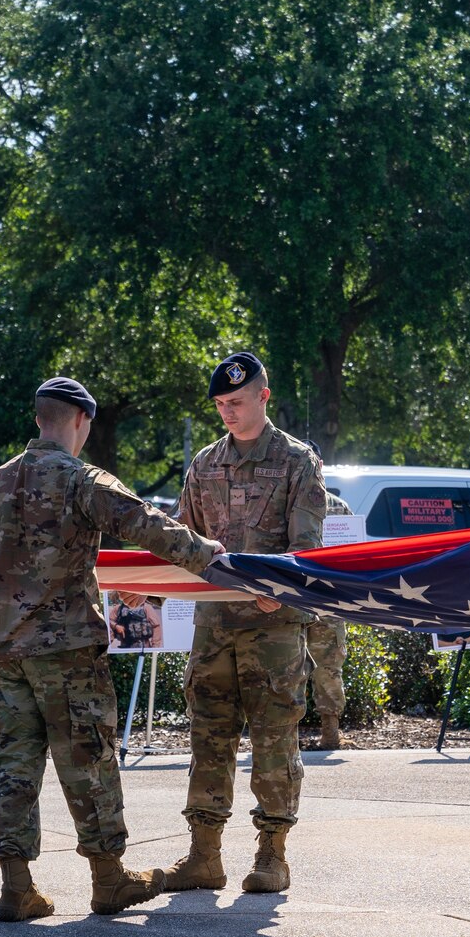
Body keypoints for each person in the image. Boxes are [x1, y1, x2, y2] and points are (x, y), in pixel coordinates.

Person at [0, 377, 223, 922]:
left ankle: (17, 888)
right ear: (81, 422)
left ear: (39, 419)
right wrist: (211, 556)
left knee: (14, 767)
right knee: (88, 761)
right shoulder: (80, 480)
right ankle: (109, 880)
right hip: (67, 653)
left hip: (5, 651)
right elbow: (148, 526)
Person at [166, 352, 326, 895]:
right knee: (208, 738)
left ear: (263, 395)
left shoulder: (298, 462)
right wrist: (150, 582)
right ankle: (203, 855)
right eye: (219, 405)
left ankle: (271, 855)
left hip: (273, 628)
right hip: (213, 628)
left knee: (274, 740)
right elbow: (182, 538)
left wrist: (273, 595)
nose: (227, 414)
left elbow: (307, 548)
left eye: (236, 402)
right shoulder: (205, 464)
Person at [305, 483, 354, 750]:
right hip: (328, 596)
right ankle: (330, 732)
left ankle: (285, 734)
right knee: (328, 666)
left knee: (284, 667)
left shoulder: (280, 499)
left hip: (291, 592)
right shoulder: (338, 506)